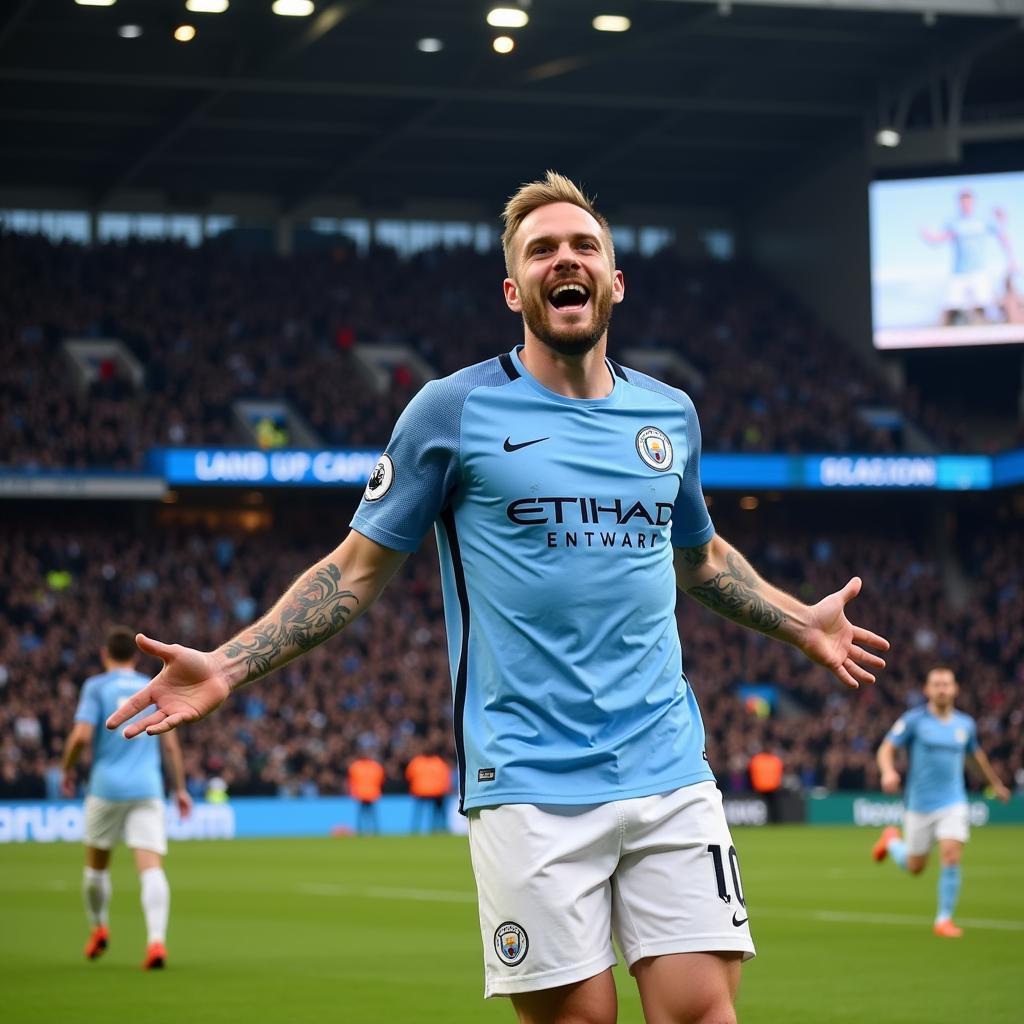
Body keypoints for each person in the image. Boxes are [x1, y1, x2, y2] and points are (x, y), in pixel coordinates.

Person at [106, 172, 889, 1024]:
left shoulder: (671, 416)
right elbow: (356, 570)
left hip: (670, 768)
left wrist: (798, 622)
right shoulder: (454, 410)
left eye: (585, 246)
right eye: (543, 249)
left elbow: (700, 562)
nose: (567, 259)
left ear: (615, 282)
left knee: (703, 1012)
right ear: (515, 290)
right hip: (528, 780)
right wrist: (227, 662)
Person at [62, 625, 192, 970]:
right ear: (135, 657)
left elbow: (80, 737)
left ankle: (99, 926)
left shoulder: (95, 687)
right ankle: (156, 943)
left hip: (105, 789)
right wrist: (179, 788)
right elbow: (169, 742)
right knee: (150, 868)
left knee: (96, 868)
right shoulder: (151, 687)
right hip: (147, 788)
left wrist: (67, 769)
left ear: (105, 654)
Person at [872, 666, 1011, 938]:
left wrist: (995, 784)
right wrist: (888, 771)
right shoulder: (914, 721)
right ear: (927, 690)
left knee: (951, 853)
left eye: (946, 684)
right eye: (936, 684)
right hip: (919, 805)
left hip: (953, 802)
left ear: (955, 689)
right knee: (915, 867)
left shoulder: (965, 725)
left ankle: (944, 919)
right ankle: (891, 841)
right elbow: (886, 748)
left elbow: (975, 758)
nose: (942, 689)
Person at [920, 189, 1016, 326]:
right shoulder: (954, 223)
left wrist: (1011, 259)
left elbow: (1002, 236)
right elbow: (941, 238)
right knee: (951, 307)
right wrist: (928, 237)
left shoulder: (983, 221)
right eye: (963, 202)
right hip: (959, 272)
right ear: (959, 203)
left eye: (968, 201)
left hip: (979, 270)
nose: (966, 205)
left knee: (985, 305)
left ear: (973, 202)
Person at [405, 746, 451, 833]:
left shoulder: (416, 762)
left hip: (420, 791)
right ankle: (440, 829)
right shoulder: (439, 762)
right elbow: (445, 777)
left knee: (418, 812)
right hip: (436, 792)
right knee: (439, 813)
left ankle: (415, 829)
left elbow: (408, 776)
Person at [347, 755, 385, 834]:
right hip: (372, 793)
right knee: (372, 814)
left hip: (360, 793)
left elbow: (351, 780)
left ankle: (360, 831)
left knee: (361, 814)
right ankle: (375, 831)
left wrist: (353, 792)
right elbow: (381, 779)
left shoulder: (355, 766)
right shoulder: (375, 766)